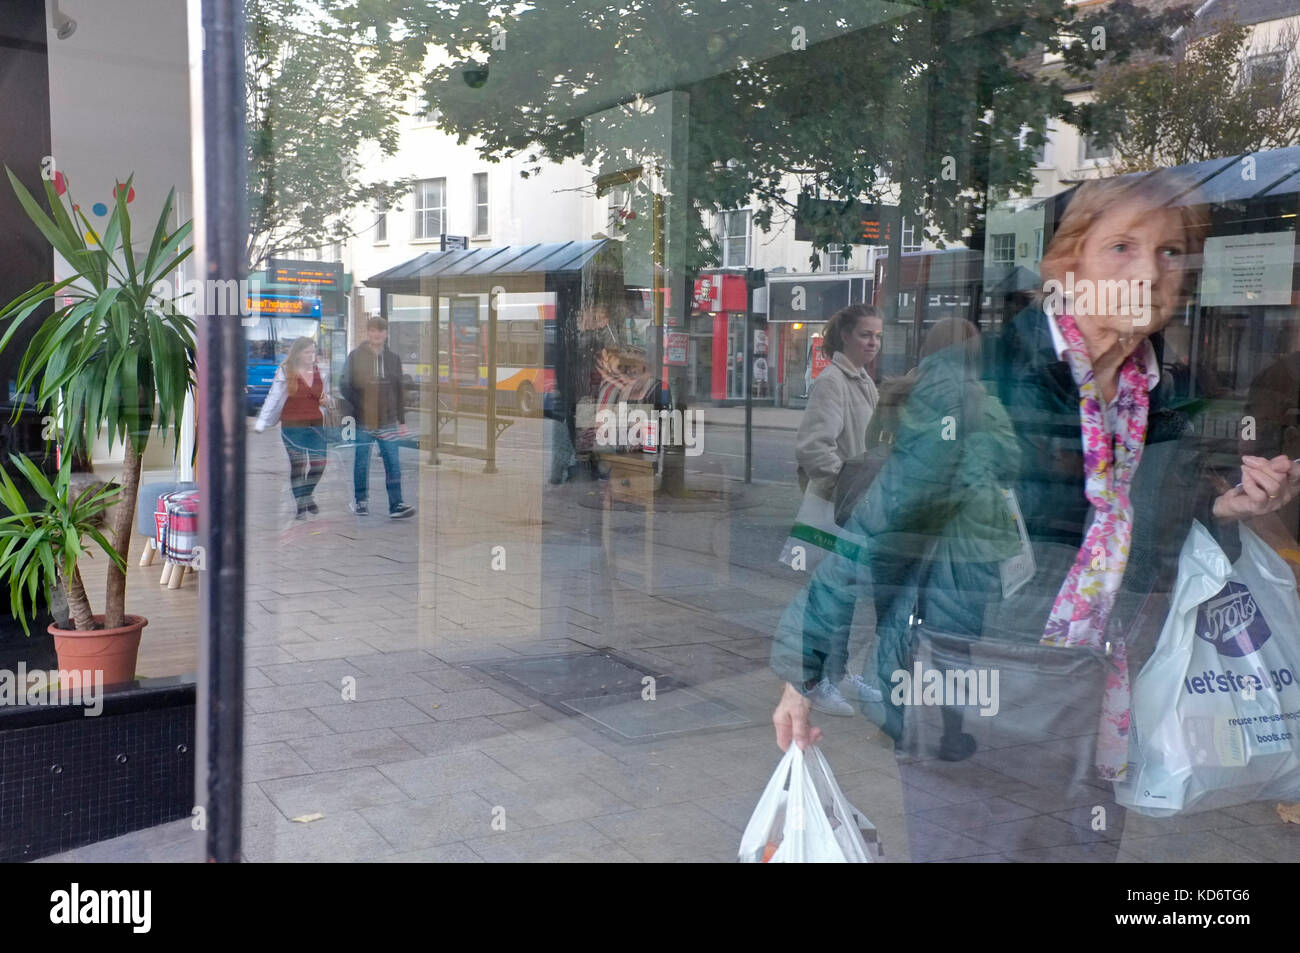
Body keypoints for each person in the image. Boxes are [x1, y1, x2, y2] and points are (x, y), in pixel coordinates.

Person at [772, 172, 1300, 862]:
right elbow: (879, 528)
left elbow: (1123, 528)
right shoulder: (980, 380)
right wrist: (801, 671)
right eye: (1121, 248)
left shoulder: (1162, 396)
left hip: (1094, 699)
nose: (1149, 270)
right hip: (974, 696)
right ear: (1066, 263)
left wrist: (1223, 505)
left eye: (1172, 252)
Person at [791, 303, 882, 714]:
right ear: (844, 335)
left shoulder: (863, 382)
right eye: (865, 334)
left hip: (851, 507)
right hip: (832, 507)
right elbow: (813, 446)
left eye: (878, 336)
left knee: (843, 597)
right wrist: (848, 485)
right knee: (829, 598)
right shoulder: (834, 381)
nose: (873, 343)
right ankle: (815, 680)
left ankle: (839, 675)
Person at [340, 316, 415, 519]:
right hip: (364, 420)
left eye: (381, 331)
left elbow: (400, 391)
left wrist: (402, 421)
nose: (377, 334)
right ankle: (361, 501)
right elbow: (344, 385)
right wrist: (361, 404)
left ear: (386, 334)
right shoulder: (355, 356)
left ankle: (396, 504)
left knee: (393, 462)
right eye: (373, 330)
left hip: (388, 420)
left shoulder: (394, 359)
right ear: (368, 333)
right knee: (361, 462)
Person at [254, 336, 331, 519]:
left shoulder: (322, 371)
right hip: (292, 425)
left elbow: (327, 396)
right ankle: (300, 506)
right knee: (299, 465)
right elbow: (274, 397)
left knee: (319, 464)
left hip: (316, 425)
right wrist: (262, 421)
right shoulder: (285, 371)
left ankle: (306, 495)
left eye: (313, 351)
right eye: (307, 352)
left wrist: (328, 400)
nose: (311, 356)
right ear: (297, 353)